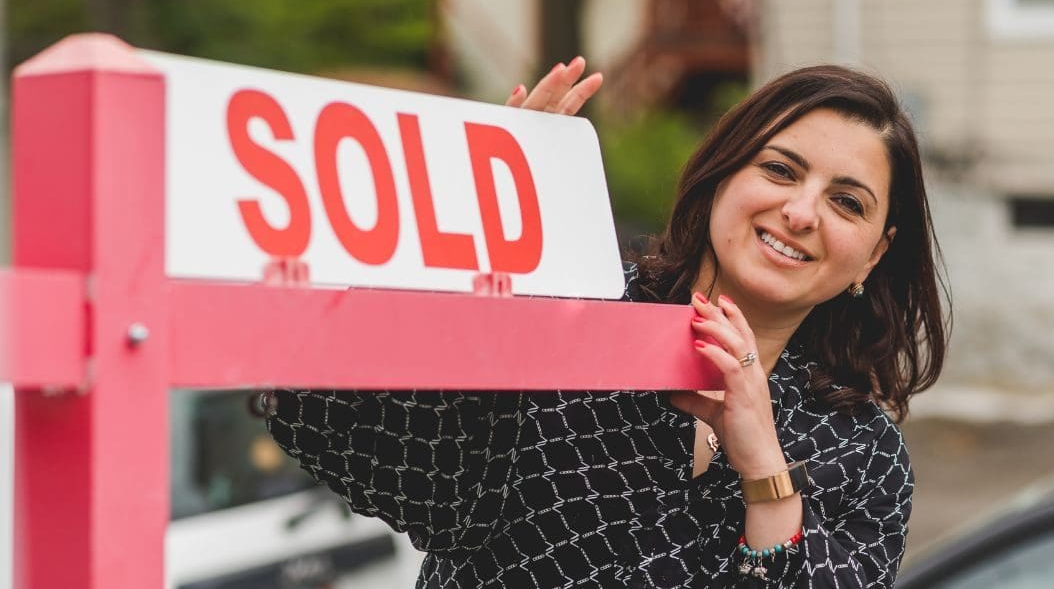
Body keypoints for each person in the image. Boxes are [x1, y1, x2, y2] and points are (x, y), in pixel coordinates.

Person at [265, 58, 948, 588]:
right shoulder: (570, 312)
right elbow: (324, 412)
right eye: (778, 169)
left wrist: (763, 468)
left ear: (875, 254)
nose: (801, 212)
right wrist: (475, 237)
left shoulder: (865, 455)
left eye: (847, 203)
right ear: (722, 176)